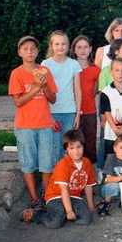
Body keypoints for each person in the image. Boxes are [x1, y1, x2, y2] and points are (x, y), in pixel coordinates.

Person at [8, 36, 58, 211]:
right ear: (20, 52)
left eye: (33, 48)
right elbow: (18, 102)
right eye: (26, 49)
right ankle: (34, 198)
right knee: (28, 162)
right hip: (25, 126)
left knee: (46, 162)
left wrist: (44, 87)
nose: (30, 52)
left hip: (44, 124)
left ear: (37, 52)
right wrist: (36, 87)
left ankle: (46, 194)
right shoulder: (17, 73)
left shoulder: (44, 71)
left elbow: (52, 99)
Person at [20, 130, 96, 228]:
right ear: (66, 149)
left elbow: (88, 186)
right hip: (57, 196)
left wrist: (91, 206)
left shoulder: (87, 163)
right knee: (54, 223)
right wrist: (69, 211)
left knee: (86, 219)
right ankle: (37, 214)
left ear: (83, 146)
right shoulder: (63, 164)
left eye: (79, 147)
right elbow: (63, 189)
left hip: (74, 196)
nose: (76, 151)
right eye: (72, 148)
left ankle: (63, 213)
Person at [42, 30, 82, 161]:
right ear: (51, 46)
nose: (60, 47)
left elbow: (77, 90)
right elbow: (42, 91)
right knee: (53, 148)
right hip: (52, 112)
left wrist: (77, 114)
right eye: (57, 44)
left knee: (68, 147)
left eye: (63, 44)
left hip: (69, 112)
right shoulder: (45, 64)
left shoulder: (74, 64)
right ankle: (53, 178)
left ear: (68, 45)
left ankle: (67, 177)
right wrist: (47, 114)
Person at [97, 39, 122, 168]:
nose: (120, 73)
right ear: (111, 72)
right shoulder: (106, 92)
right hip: (111, 133)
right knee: (111, 158)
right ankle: (108, 180)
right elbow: (106, 112)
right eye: (117, 70)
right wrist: (114, 128)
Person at [69, 35, 100, 163]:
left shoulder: (96, 70)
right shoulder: (69, 68)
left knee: (90, 144)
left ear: (90, 49)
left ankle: (90, 172)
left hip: (90, 112)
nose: (83, 50)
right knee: (74, 143)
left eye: (85, 47)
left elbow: (95, 91)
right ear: (74, 50)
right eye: (79, 47)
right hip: (71, 111)